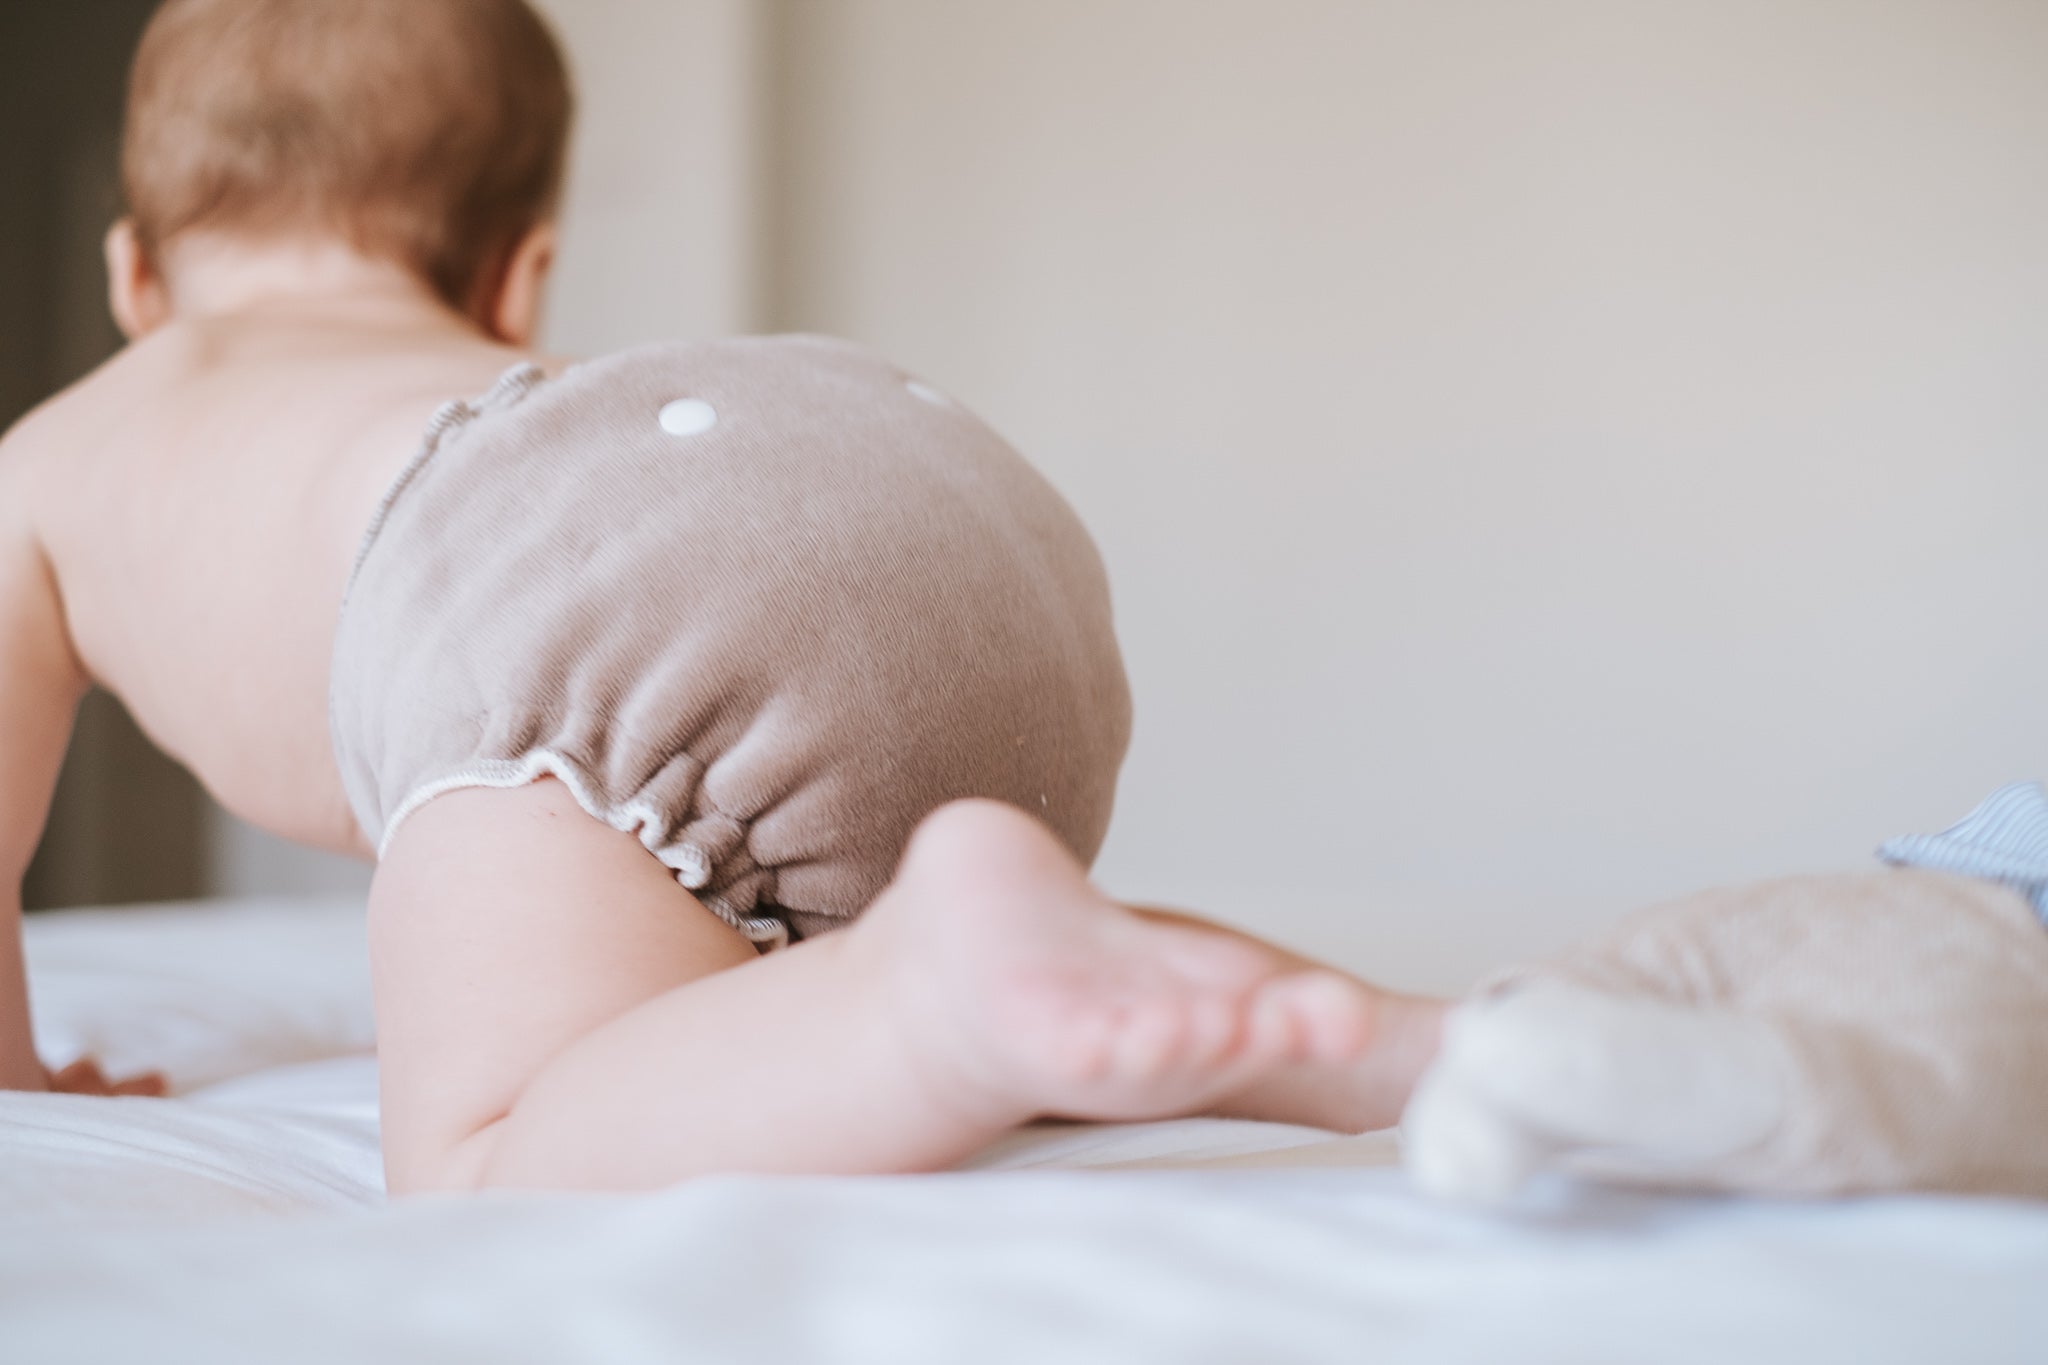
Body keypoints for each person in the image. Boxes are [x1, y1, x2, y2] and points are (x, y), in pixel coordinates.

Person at [0, 0, 1444, 1192]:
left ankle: (930, 995)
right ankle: (1366, 1038)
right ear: (521, 280)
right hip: (912, 484)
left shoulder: (57, 461)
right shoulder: (532, 388)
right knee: (793, 973)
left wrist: (20, 1076)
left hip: (574, 596)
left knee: (488, 1150)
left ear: (133, 274)